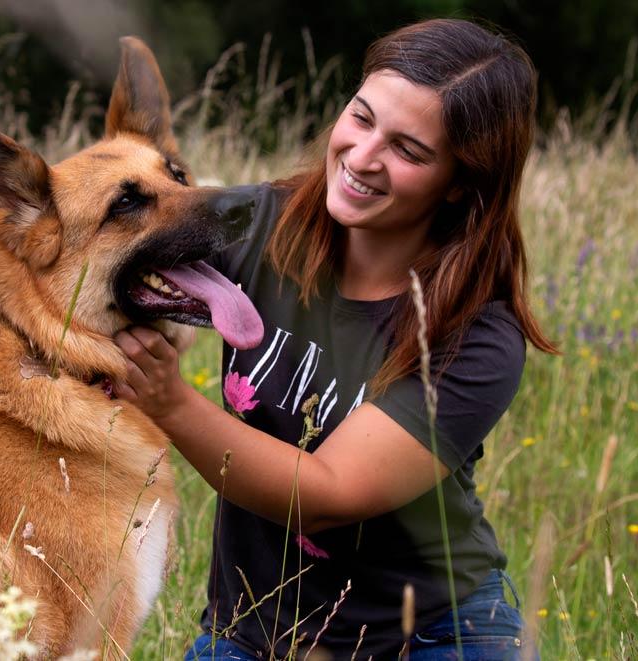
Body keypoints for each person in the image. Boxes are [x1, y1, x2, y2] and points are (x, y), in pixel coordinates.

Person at [112, 17, 558, 661]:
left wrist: (171, 402)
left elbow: (328, 496)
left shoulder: (476, 335)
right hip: (257, 634)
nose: (363, 157)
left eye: (409, 150)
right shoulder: (263, 224)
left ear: (462, 181)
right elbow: (109, 252)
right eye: (362, 117)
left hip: (432, 635)